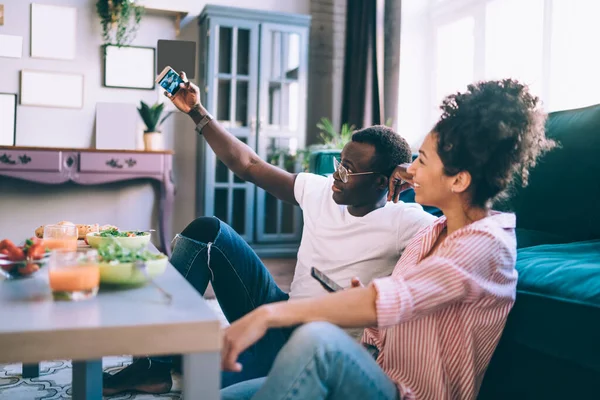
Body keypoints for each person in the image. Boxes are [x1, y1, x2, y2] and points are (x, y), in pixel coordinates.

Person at [218, 79, 556, 400]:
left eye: (420, 161)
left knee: (317, 341)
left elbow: (393, 298)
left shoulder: (482, 246)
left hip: (406, 395)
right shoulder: (433, 233)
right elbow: (393, 316)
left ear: (459, 181)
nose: (409, 171)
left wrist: (268, 315)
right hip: (371, 372)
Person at [102, 72, 436, 395]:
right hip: (279, 314)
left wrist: (413, 174)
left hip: (319, 347)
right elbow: (248, 165)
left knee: (210, 382)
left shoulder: (407, 223)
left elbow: (479, 226)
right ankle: (153, 366)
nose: (337, 174)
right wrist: (196, 111)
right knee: (207, 232)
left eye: (348, 169)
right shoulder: (319, 191)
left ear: (382, 181)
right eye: (339, 162)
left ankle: (186, 365)